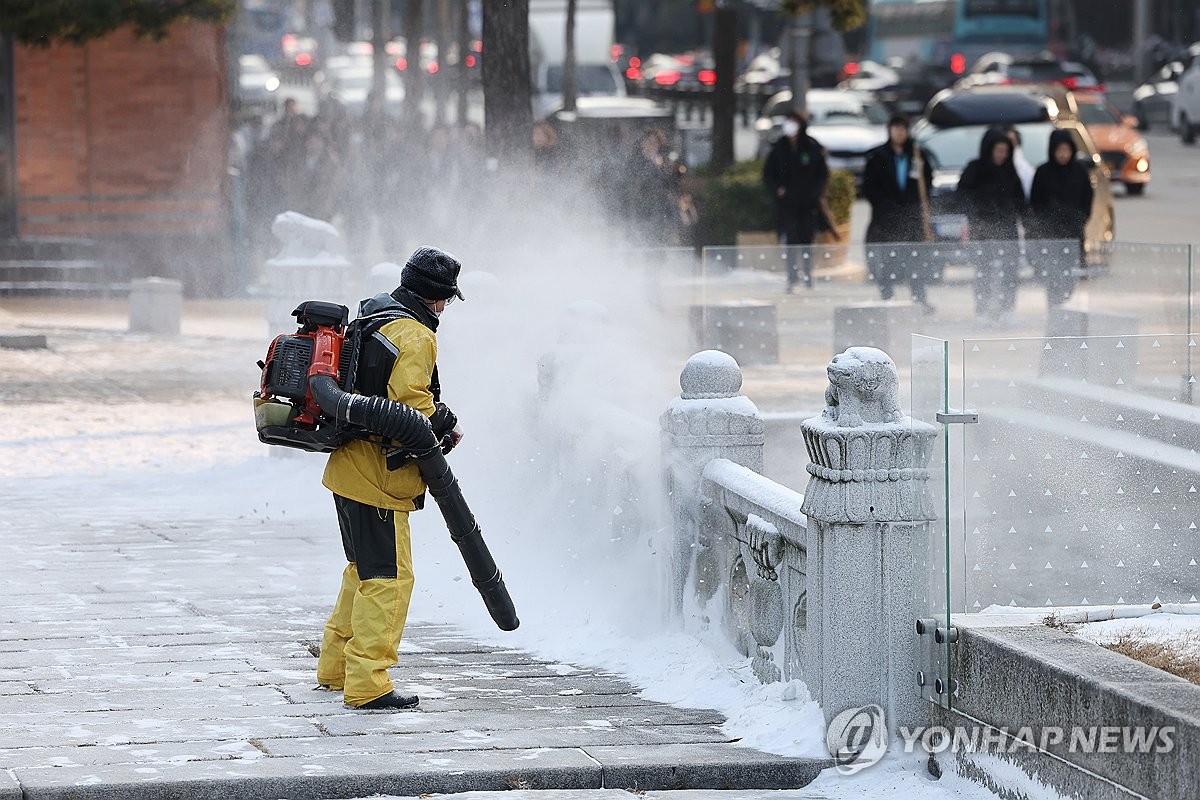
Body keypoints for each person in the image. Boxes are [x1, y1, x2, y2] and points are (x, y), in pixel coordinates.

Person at [316, 246, 466, 711]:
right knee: (390, 580)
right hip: (378, 477)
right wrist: (447, 421)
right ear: (435, 298)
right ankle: (368, 682)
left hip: (347, 468)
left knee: (362, 571)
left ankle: (336, 666)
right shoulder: (415, 335)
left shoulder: (373, 315)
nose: (444, 308)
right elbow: (411, 406)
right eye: (445, 300)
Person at [862, 114, 935, 313]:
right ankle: (888, 299)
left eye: (903, 129)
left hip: (911, 218)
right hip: (885, 219)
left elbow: (926, 183)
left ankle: (919, 299)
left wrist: (913, 207)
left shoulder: (917, 154)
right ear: (889, 130)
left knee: (915, 262)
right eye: (896, 128)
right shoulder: (878, 157)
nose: (899, 133)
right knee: (886, 262)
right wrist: (886, 207)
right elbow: (869, 187)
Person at [956, 126, 1025, 323]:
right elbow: (962, 196)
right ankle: (982, 309)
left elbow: (1020, 201)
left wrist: (1023, 220)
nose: (1002, 155)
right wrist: (976, 216)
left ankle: (1007, 309)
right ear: (989, 149)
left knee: (1010, 271)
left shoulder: (1010, 172)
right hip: (982, 230)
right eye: (998, 150)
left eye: (1005, 151)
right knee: (983, 271)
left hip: (1007, 229)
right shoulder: (975, 169)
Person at [763, 110, 829, 291]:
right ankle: (792, 278)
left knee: (807, 240)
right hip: (786, 204)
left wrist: (814, 193)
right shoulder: (779, 147)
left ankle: (808, 275)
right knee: (791, 240)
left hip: (808, 204)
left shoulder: (811, 146)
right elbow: (769, 174)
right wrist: (778, 189)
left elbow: (821, 174)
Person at [1029, 129, 1093, 307]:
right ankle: (1055, 312)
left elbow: (1087, 200)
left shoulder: (1079, 172)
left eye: (1067, 150)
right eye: (1059, 151)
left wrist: (1079, 219)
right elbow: (1035, 204)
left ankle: (1067, 311)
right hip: (1050, 238)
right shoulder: (1043, 172)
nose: (1063, 155)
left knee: (1071, 278)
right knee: (1052, 279)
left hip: (1073, 235)